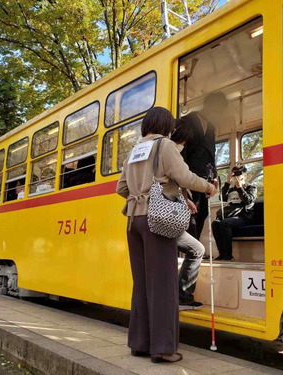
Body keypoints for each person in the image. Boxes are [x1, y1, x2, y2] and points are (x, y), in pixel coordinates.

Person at [116, 107, 216, 363]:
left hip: (133, 221)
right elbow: (184, 176)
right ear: (166, 125)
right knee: (163, 284)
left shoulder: (135, 149)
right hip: (157, 220)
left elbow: (121, 188)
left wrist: (140, 197)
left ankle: (139, 343)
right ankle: (162, 348)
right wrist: (207, 187)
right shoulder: (165, 145)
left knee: (142, 283)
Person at [171, 118, 207, 309]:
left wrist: (185, 199)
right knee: (197, 249)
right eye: (183, 143)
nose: (183, 147)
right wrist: (209, 186)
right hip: (164, 221)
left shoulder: (150, 152)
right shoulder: (170, 153)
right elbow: (187, 178)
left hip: (143, 218)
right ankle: (182, 296)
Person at [182, 92, 228, 244]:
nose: (218, 114)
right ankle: (189, 255)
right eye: (217, 110)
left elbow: (212, 154)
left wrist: (214, 177)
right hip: (190, 177)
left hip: (205, 180)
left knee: (201, 215)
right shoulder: (187, 121)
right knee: (190, 217)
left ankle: (193, 256)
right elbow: (183, 151)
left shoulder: (211, 127)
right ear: (208, 106)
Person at [212, 164, 257, 261]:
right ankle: (222, 254)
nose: (236, 177)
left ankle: (228, 255)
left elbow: (248, 201)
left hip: (244, 217)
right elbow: (222, 198)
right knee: (215, 223)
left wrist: (240, 187)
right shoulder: (231, 189)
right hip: (232, 215)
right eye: (234, 175)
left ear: (245, 176)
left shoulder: (251, 188)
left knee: (225, 223)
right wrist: (228, 182)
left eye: (239, 174)